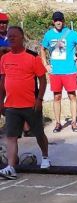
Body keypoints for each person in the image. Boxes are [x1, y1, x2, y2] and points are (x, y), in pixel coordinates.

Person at [0, 26, 50, 180]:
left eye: (15, 36)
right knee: (11, 137)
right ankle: (11, 166)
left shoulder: (32, 57)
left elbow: (42, 79)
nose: (11, 38)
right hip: (11, 106)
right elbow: (3, 80)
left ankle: (45, 157)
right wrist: (1, 101)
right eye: (9, 36)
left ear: (22, 38)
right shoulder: (4, 58)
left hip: (30, 104)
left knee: (39, 134)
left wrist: (40, 99)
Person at [40, 11, 77, 133]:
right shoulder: (48, 35)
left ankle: (74, 122)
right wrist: (45, 64)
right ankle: (58, 123)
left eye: (60, 20)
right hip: (55, 72)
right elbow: (42, 49)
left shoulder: (71, 33)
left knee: (72, 96)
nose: (59, 22)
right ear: (53, 22)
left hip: (69, 71)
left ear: (63, 21)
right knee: (56, 97)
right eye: (56, 20)